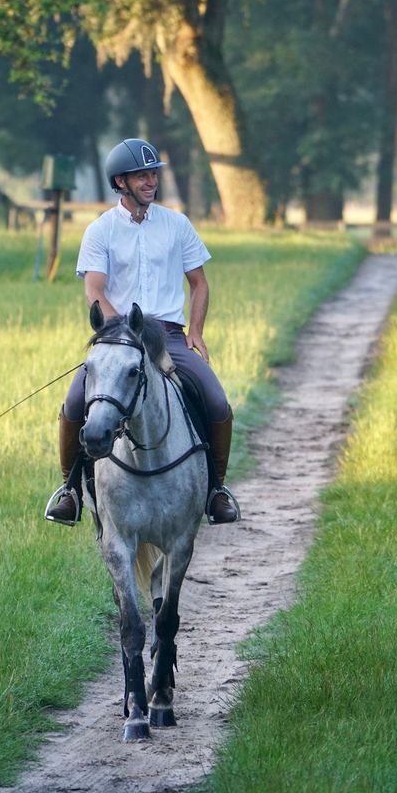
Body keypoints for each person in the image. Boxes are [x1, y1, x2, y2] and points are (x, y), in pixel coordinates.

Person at [44, 137, 239, 526]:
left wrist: (195, 331)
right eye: (142, 176)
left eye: (154, 175)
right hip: (118, 339)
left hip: (167, 336)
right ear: (120, 182)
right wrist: (121, 333)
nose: (151, 182)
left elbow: (199, 283)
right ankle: (69, 491)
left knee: (217, 403)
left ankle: (216, 491)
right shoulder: (100, 230)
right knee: (74, 402)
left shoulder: (177, 224)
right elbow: (94, 291)